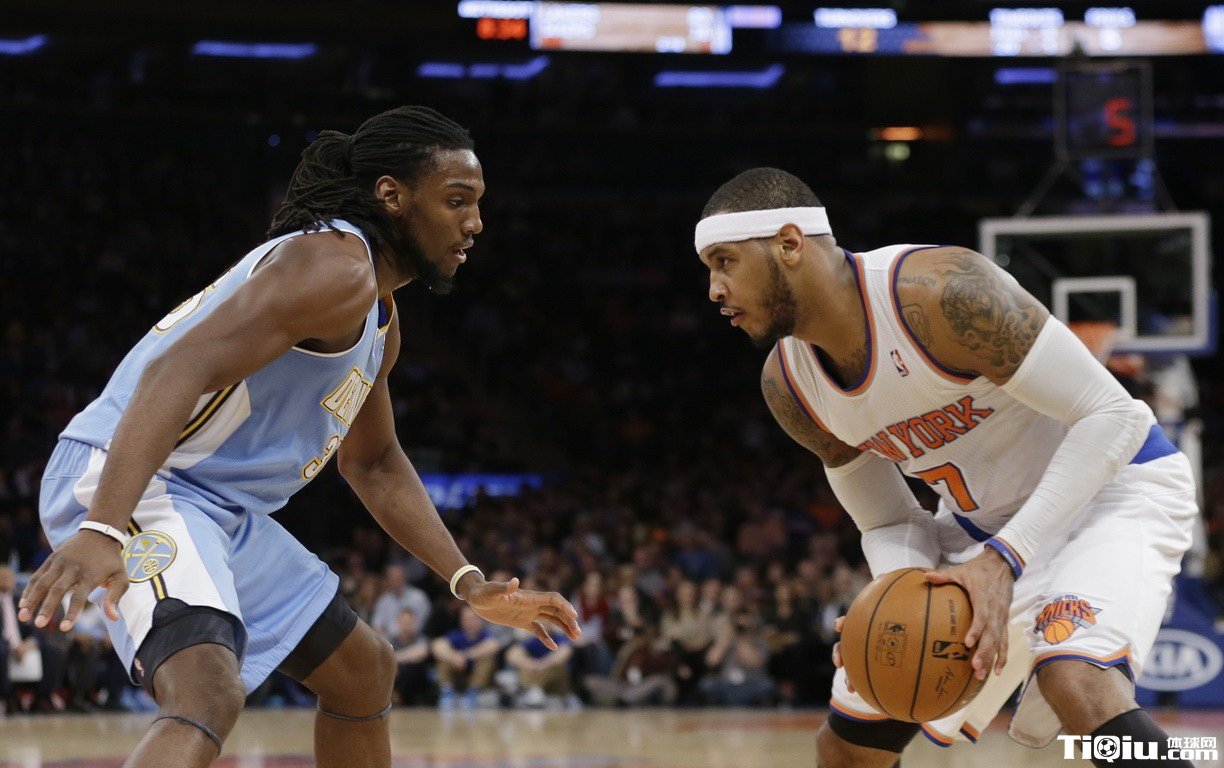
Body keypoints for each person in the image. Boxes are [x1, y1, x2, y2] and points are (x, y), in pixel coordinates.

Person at [22, 106, 580, 767]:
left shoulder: (378, 313)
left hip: (218, 508)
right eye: (457, 201)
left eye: (478, 204)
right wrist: (104, 526)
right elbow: (175, 370)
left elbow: (374, 463)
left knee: (363, 670)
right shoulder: (333, 266)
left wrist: (467, 581)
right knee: (206, 693)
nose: (475, 222)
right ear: (392, 195)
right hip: (138, 481)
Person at [695, 168, 1198, 766]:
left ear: (788, 244)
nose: (715, 289)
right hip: (981, 533)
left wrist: (1004, 559)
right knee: (847, 749)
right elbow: (886, 521)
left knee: (1078, 683)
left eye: (724, 262)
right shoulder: (789, 387)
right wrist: (898, 599)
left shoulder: (940, 294)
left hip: (1114, 490)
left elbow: (1113, 416)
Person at [431, 605, 501, 710]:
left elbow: (493, 645)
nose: (470, 622)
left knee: (487, 658)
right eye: (467, 619)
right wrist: (454, 657)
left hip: (478, 678)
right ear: (461, 621)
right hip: (458, 674)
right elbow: (437, 646)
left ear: (480, 619)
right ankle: (447, 691)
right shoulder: (456, 635)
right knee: (443, 659)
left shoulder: (486, 634)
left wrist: (466, 655)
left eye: (473, 619)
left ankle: (472, 693)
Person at [371, 563, 431, 640]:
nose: (395, 581)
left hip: (414, 640)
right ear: (388, 580)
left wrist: (405, 635)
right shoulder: (383, 600)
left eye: (398, 578)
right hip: (390, 641)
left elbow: (423, 624)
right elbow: (376, 625)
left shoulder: (419, 597)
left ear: (404, 578)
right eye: (392, 578)